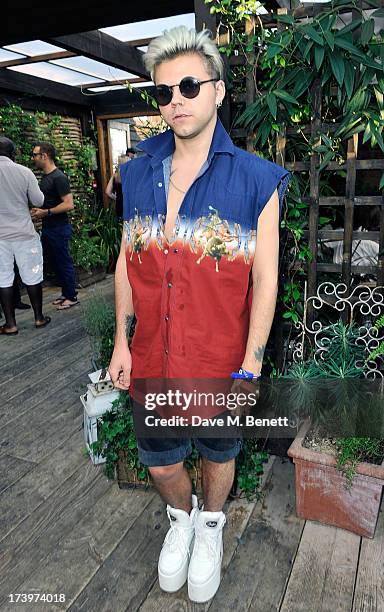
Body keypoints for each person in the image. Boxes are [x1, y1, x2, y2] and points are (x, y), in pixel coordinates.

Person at [108, 26, 290, 603]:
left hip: (219, 359)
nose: (176, 100)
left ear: (217, 91)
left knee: (219, 453)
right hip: (152, 359)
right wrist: (120, 341)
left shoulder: (258, 180)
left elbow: (266, 280)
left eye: (188, 85)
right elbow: (124, 261)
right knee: (160, 464)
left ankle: (211, 523)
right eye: (163, 92)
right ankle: (181, 518)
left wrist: (252, 363)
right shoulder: (137, 171)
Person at [0, 136, 51, 335]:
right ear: (13, 154)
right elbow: (38, 199)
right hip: (23, 233)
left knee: (3, 279)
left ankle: (10, 324)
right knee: (32, 275)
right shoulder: (24, 172)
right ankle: (38, 317)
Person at [31, 142, 79, 310]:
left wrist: (47, 212)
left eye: (35, 155)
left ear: (45, 156)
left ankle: (71, 296)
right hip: (49, 227)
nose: (33, 158)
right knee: (55, 262)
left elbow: (69, 204)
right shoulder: (46, 177)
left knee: (63, 261)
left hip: (59, 228)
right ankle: (66, 293)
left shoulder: (59, 177)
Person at [105, 148, 136, 218]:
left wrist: (118, 198)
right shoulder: (132, 175)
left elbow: (107, 191)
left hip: (119, 206)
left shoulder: (115, 176)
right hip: (130, 206)